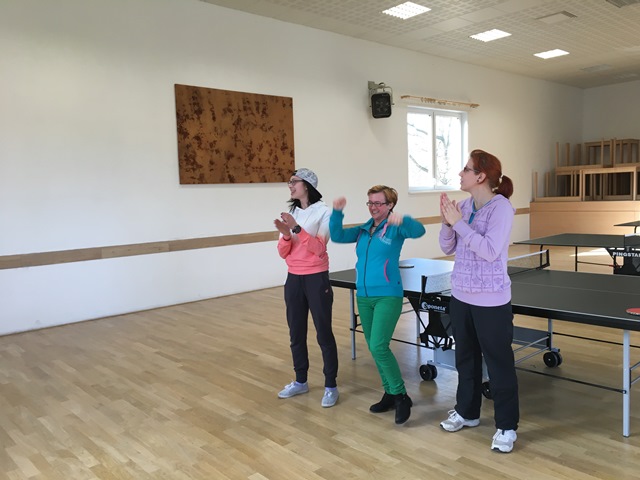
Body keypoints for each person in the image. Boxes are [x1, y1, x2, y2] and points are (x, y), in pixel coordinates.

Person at [438, 149, 519, 453]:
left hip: (492, 301)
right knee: (466, 358)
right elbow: (447, 247)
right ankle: (467, 412)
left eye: (466, 169)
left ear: (481, 176)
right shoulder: (463, 206)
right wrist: (447, 223)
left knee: (499, 363)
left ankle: (507, 426)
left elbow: (490, 250)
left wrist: (458, 223)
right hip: (460, 295)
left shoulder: (502, 208)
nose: (460, 174)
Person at [330, 185, 425, 424]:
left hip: (387, 295)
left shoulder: (395, 227)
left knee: (379, 346)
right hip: (363, 295)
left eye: (378, 203)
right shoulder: (363, 230)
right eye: (370, 202)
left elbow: (419, 230)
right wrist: (337, 212)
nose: (373, 207)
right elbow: (337, 235)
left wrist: (403, 219)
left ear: (390, 205)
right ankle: (390, 393)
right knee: (374, 347)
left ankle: (401, 395)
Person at [274, 168, 339, 408]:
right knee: (296, 333)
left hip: (316, 278)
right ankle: (300, 380)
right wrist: (286, 236)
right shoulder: (291, 213)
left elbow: (319, 248)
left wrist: (297, 230)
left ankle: (331, 385)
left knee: (323, 333)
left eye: (294, 181)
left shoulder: (324, 212)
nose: (290, 185)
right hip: (294, 278)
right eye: (289, 182)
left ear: (307, 185)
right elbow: (283, 253)